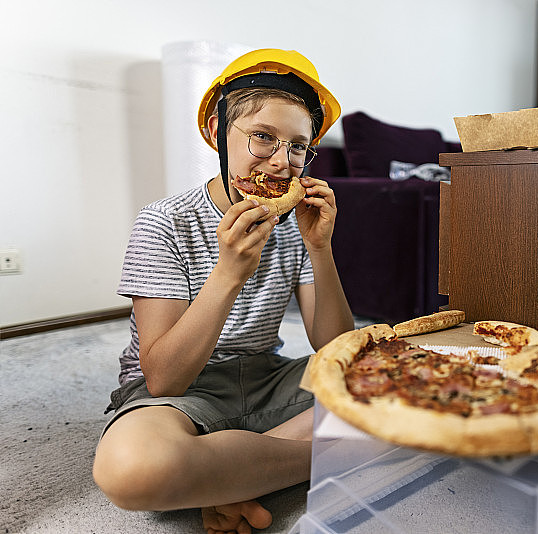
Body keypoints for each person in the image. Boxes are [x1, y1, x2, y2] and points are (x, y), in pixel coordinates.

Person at [93, 49, 354, 534]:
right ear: (217, 132)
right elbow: (164, 379)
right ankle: (276, 465)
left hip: (266, 378)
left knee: (393, 368)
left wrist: (320, 249)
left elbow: (337, 348)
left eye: (298, 146)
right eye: (263, 137)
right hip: (184, 394)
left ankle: (234, 476)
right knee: (132, 469)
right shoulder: (164, 222)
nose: (282, 163)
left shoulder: (297, 224)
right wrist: (228, 273)